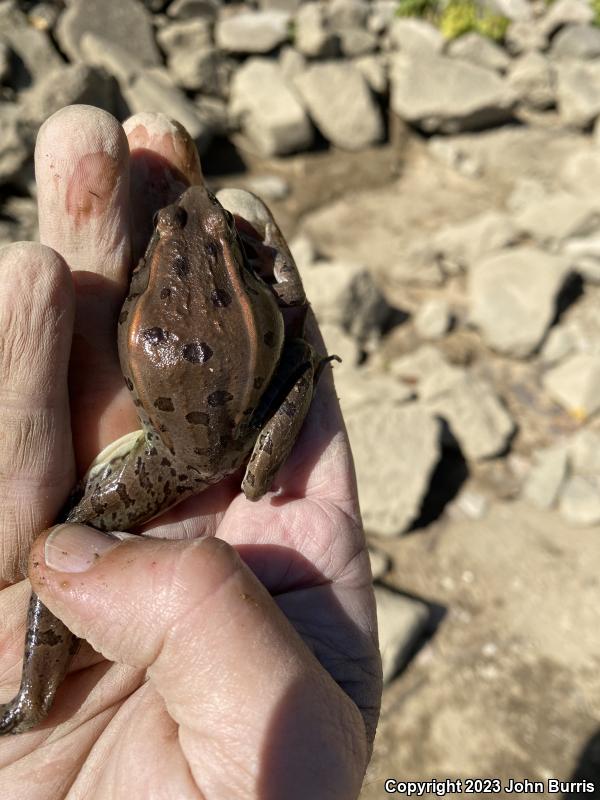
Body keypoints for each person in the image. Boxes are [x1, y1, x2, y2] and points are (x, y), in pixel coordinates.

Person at [0, 105, 381, 799]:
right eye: (180, 223)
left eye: (198, 226)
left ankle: (33, 699)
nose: (194, 213)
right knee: (298, 352)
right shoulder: (255, 278)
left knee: (59, 539)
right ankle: (33, 700)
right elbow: (289, 298)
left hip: (166, 460)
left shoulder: (154, 272)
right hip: (247, 439)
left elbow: (123, 317)